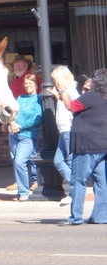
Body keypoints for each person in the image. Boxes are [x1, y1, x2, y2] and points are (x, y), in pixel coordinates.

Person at [58, 68, 107, 226]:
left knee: (78, 181)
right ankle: (100, 216)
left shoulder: (91, 96)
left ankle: (76, 217)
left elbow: (72, 106)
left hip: (86, 145)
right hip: (102, 146)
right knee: (101, 183)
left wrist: (64, 97)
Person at [6, 73, 43, 201]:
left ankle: (25, 192)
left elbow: (36, 119)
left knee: (20, 161)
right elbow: (13, 111)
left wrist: (19, 126)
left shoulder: (39, 99)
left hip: (28, 136)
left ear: (36, 85)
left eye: (30, 83)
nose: (27, 86)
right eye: (26, 84)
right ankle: (22, 191)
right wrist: (11, 123)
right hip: (14, 135)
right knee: (17, 163)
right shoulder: (21, 98)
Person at [48, 66, 80, 206]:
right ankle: (76, 187)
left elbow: (77, 106)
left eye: (54, 79)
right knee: (58, 161)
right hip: (64, 131)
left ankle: (75, 192)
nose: (53, 81)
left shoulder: (71, 90)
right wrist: (58, 97)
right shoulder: (63, 92)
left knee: (70, 161)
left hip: (69, 129)